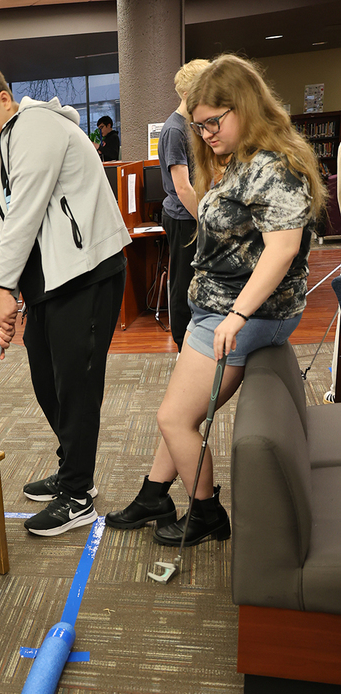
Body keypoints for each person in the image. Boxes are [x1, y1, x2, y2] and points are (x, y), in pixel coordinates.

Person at [105, 53, 325, 547]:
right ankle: (155, 493)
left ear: (243, 106)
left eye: (212, 123)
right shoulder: (241, 158)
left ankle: (206, 514)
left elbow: (284, 247)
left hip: (241, 312)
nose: (205, 134)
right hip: (221, 306)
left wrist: (238, 314)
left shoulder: (271, 165)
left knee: (172, 417)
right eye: (198, 125)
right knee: (181, 411)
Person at [0, 62, 130, 537]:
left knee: (76, 383)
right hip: (48, 278)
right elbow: (11, 227)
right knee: (46, 378)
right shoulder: (0, 144)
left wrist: (0, 288)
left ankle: (78, 494)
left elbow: (26, 214)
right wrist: (5, 302)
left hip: (87, 272)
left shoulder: (36, 128)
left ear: (4, 99)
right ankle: (71, 464)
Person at [157, 58, 211, 351]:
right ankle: (182, 345)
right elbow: (182, 187)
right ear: (188, 94)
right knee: (182, 281)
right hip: (183, 218)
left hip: (195, 213)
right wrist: (207, 219)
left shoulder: (194, 126)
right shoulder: (174, 130)